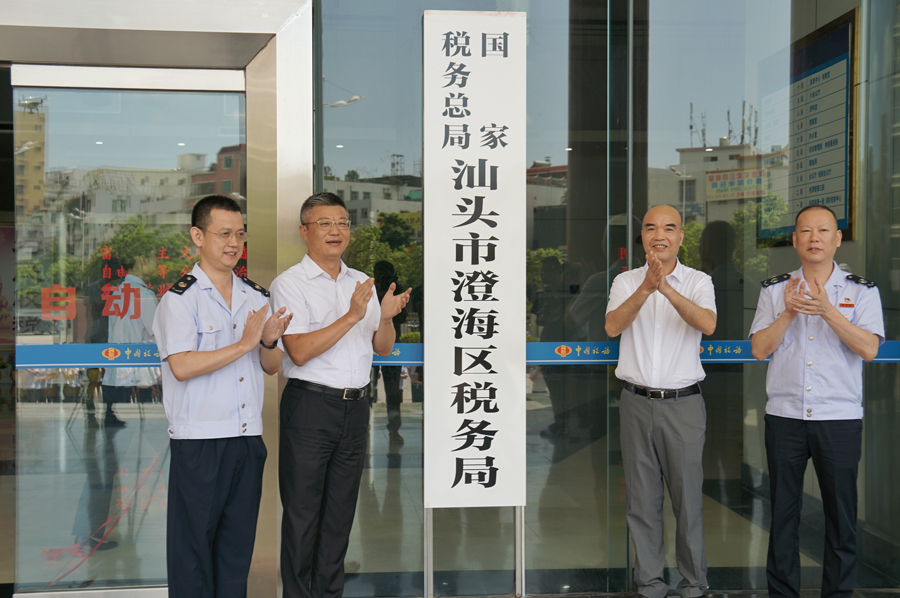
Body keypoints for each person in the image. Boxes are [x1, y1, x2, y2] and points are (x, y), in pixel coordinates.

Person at [270, 191, 411, 598]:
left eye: (343, 223)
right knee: (302, 517)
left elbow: (382, 347)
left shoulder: (360, 282)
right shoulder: (290, 284)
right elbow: (297, 349)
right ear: (304, 231)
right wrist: (352, 315)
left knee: (339, 516)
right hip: (310, 406)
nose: (336, 231)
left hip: (355, 408)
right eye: (325, 223)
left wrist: (383, 317)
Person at [152, 194, 292, 598]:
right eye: (224, 234)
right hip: (199, 442)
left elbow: (271, 365)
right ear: (198, 235)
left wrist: (266, 342)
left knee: (235, 551)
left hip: (247, 439)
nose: (234, 243)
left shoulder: (255, 296)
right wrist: (246, 343)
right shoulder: (180, 300)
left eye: (240, 235)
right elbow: (181, 366)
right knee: (192, 553)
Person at [749, 205, 883, 598]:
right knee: (783, 516)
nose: (814, 238)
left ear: (837, 238)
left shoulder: (861, 290)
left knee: (841, 519)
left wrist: (827, 311)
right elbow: (760, 349)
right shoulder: (774, 290)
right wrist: (789, 312)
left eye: (823, 230)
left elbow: (870, 349)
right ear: (794, 240)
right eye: (805, 231)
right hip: (785, 417)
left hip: (838, 419)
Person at [604, 204, 716, 598]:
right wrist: (646, 287)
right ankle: (650, 583)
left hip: (683, 405)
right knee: (641, 499)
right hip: (635, 403)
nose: (659, 235)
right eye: (651, 228)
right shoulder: (625, 282)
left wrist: (665, 288)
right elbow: (613, 326)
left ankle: (694, 582)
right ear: (643, 237)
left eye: (669, 228)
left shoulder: (699, 281)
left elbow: (707, 324)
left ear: (681, 237)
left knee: (687, 500)